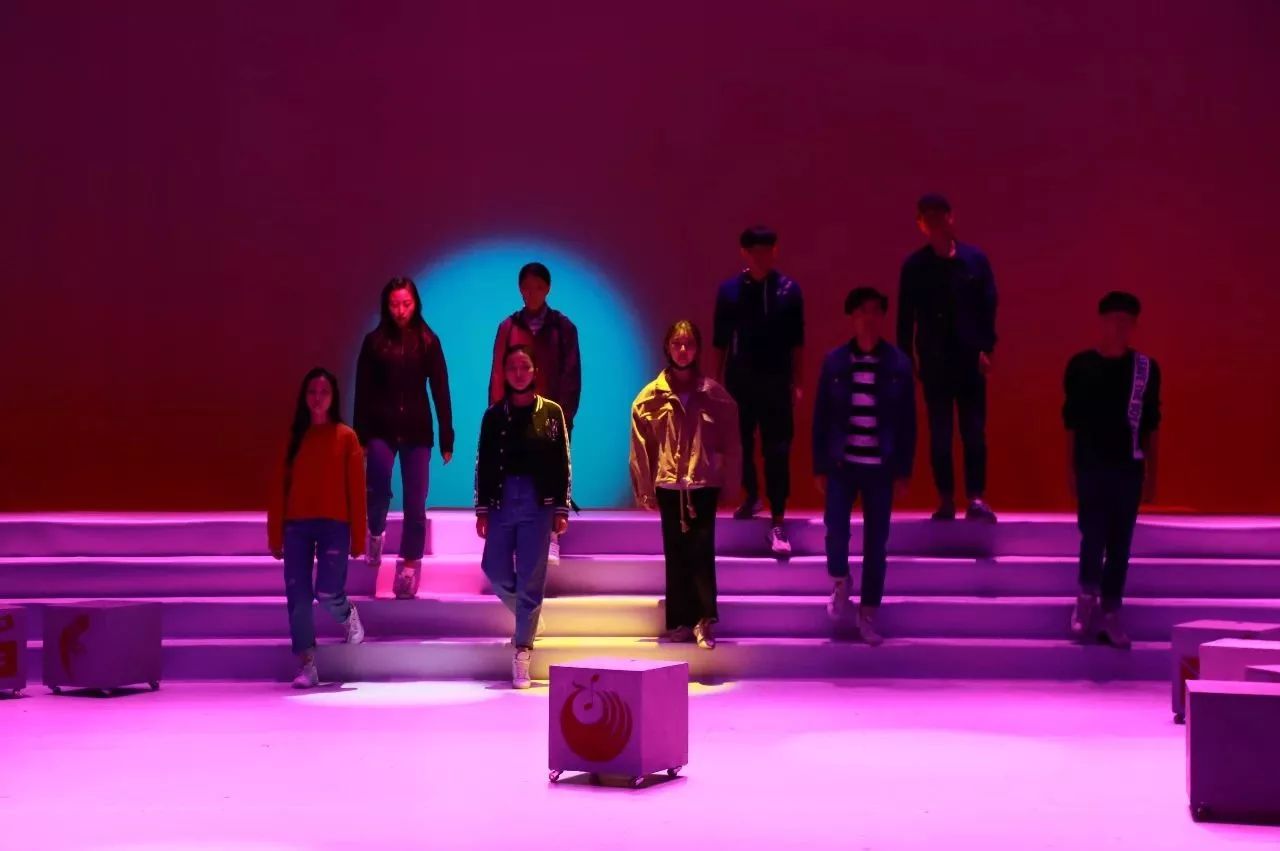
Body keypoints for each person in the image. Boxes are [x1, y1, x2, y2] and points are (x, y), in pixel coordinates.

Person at [813, 289, 916, 646]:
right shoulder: (835, 362)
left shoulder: (898, 364)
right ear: (852, 317)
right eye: (862, 311)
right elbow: (822, 416)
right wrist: (820, 465)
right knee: (835, 531)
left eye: (875, 311)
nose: (868, 318)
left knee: (876, 543)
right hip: (842, 464)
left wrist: (903, 469)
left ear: (882, 316)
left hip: (880, 467)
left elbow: (908, 422)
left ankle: (869, 612)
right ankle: (841, 581)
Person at [631, 320, 742, 650]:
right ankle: (680, 621)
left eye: (689, 344)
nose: (682, 350)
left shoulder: (714, 395)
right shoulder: (649, 398)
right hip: (669, 485)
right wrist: (644, 488)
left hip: (703, 483)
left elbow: (732, 440)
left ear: (697, 349)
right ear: (667, 347)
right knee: (676, 552)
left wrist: (730, 482)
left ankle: (704, 620)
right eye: (677, 343)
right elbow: (640, 447)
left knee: (702, 551)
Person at [1063, 292, 1161, 649]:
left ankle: (1111, 611)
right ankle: (1086, 596)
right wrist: (1070, 468)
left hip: (1128, 468)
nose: (1120, 327)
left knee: (1120, 544)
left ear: (1134, 325)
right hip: (1091, 466)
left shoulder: (1145, 369)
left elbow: (1151, 425)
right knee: (1092, 535)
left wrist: (1152, 473)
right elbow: (1071, 422)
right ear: (1102, 321)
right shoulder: (1080, 366)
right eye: (1114, 319)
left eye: (1127, 321)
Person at [897, 194, 998, 523]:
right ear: (920, 224)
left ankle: (976, 497)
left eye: (939, 215)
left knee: (974, 432)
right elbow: (905, 317)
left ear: (951, 217)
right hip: (935, 362)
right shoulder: (915, 267)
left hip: (970, 360)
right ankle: (946, 499)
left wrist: (987, 348)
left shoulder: (975, 260)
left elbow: (988, 306)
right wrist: (906, 359)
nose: (935, 221)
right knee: (940, 434)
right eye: (927, 217)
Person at [476, 345, 572, 689]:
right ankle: (527, 617)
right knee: (494, 569)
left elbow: (562, 460)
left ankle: (522, 651)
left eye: (525, 366)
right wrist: (482, 508)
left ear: (535, 371)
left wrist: (561, 508)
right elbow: (483, 461)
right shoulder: (493, 416)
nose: (519, 373)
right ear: (504, 373)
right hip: (502, 501)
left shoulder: (551, 412)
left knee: (532, 576)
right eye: (513, 367)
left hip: (538, 502)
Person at [354, 276, 454, 599]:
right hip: (380, 428)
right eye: (394, 304)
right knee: (377, 487)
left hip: (417, 429)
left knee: (415, 501)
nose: (400, 311)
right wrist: (360, 435)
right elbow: (363, 390)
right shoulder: (374, 342)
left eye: (406, 304)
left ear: (415, 304)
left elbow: (440, 389)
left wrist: (447, 436)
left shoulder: (428, 341)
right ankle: (375, 530)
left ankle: (409, 565)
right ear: (386, 305)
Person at [268, 368, 367, 689]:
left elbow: (356, 489)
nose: (318, 398)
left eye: (324, 392)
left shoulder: (346, 437)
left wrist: (359, 537)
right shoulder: (294, 438)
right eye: (312, 391)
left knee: (327, 591)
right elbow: (279, 489)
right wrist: (275, 534)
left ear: (334, 397)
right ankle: (307, 664)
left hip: (334, 525)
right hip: (296, 526)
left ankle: (347, 613)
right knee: (297, 596)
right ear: (304, 396)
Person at [712, 226, 804, 557]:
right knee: (742, 445)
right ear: (745, 253)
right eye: (755, 250)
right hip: (740, 381)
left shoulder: (789, 291)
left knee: (777, 449)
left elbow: (797, 343)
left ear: (775, 251)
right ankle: (751, 495)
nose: (761, 255)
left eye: (767, 249)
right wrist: (716, 383)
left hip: (777, 382)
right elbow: (720, 342)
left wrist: (798, 382)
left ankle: (778, 519)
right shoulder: (730, 292)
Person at [488, 262, 581, 564]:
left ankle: (552, 536)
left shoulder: (563, 328)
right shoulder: (508, 327)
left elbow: (571, 376)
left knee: (552, 473)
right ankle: (517, 539)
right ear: (520, 290)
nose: (532, 293)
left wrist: (564, 417)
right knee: (516, 475)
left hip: (551, 415)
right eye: (527, 287)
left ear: (548, 289)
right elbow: (498, 372)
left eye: (538, 287)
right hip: (515, 413)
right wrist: (497, 413)